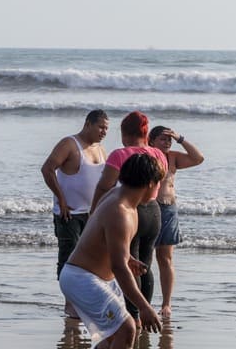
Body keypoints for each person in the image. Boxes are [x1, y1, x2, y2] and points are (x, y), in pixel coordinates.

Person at [60, 153, 164, 349]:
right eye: (158, 183)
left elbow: (108, 244)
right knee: (127, 327)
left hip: (93, 276)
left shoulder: (121, 199)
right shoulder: (121, 211)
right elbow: (118, 267)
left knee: (121, 332)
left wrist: (128, 258)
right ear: (150, 183)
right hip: (82, 277)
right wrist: (145, 307)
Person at [92, 111, 168, 326]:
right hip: (154, 211)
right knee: (145, 264)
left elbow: (104, 186)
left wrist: (94, 213)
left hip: (131, 211)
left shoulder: (120, 154)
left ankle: (133, 315)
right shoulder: (158, 154)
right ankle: (146, 310)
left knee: (129, 263)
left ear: (125, 132)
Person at [40, 109, 109, 318]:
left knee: (91, 259)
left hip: (93, 214)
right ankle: (69, 303)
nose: (104, 132)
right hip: (69, 213)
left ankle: (84, 299)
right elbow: (47, 169)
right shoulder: (69, 144)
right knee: (68, 257)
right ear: (88, 123)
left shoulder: (101, 149)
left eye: (107, 128)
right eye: (101, 127)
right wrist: (61, 199)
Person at [147, 125, 205, 320]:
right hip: (150, 208)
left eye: (169, 140)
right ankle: (143, 301)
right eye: (163, 139)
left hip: (169, 209)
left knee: (165, 259)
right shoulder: (146, 156)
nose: (167, 142)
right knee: (144, 257)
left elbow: (198, 158)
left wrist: (180, 138)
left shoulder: (173, 157)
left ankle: (166, 304)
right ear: (151, 141)